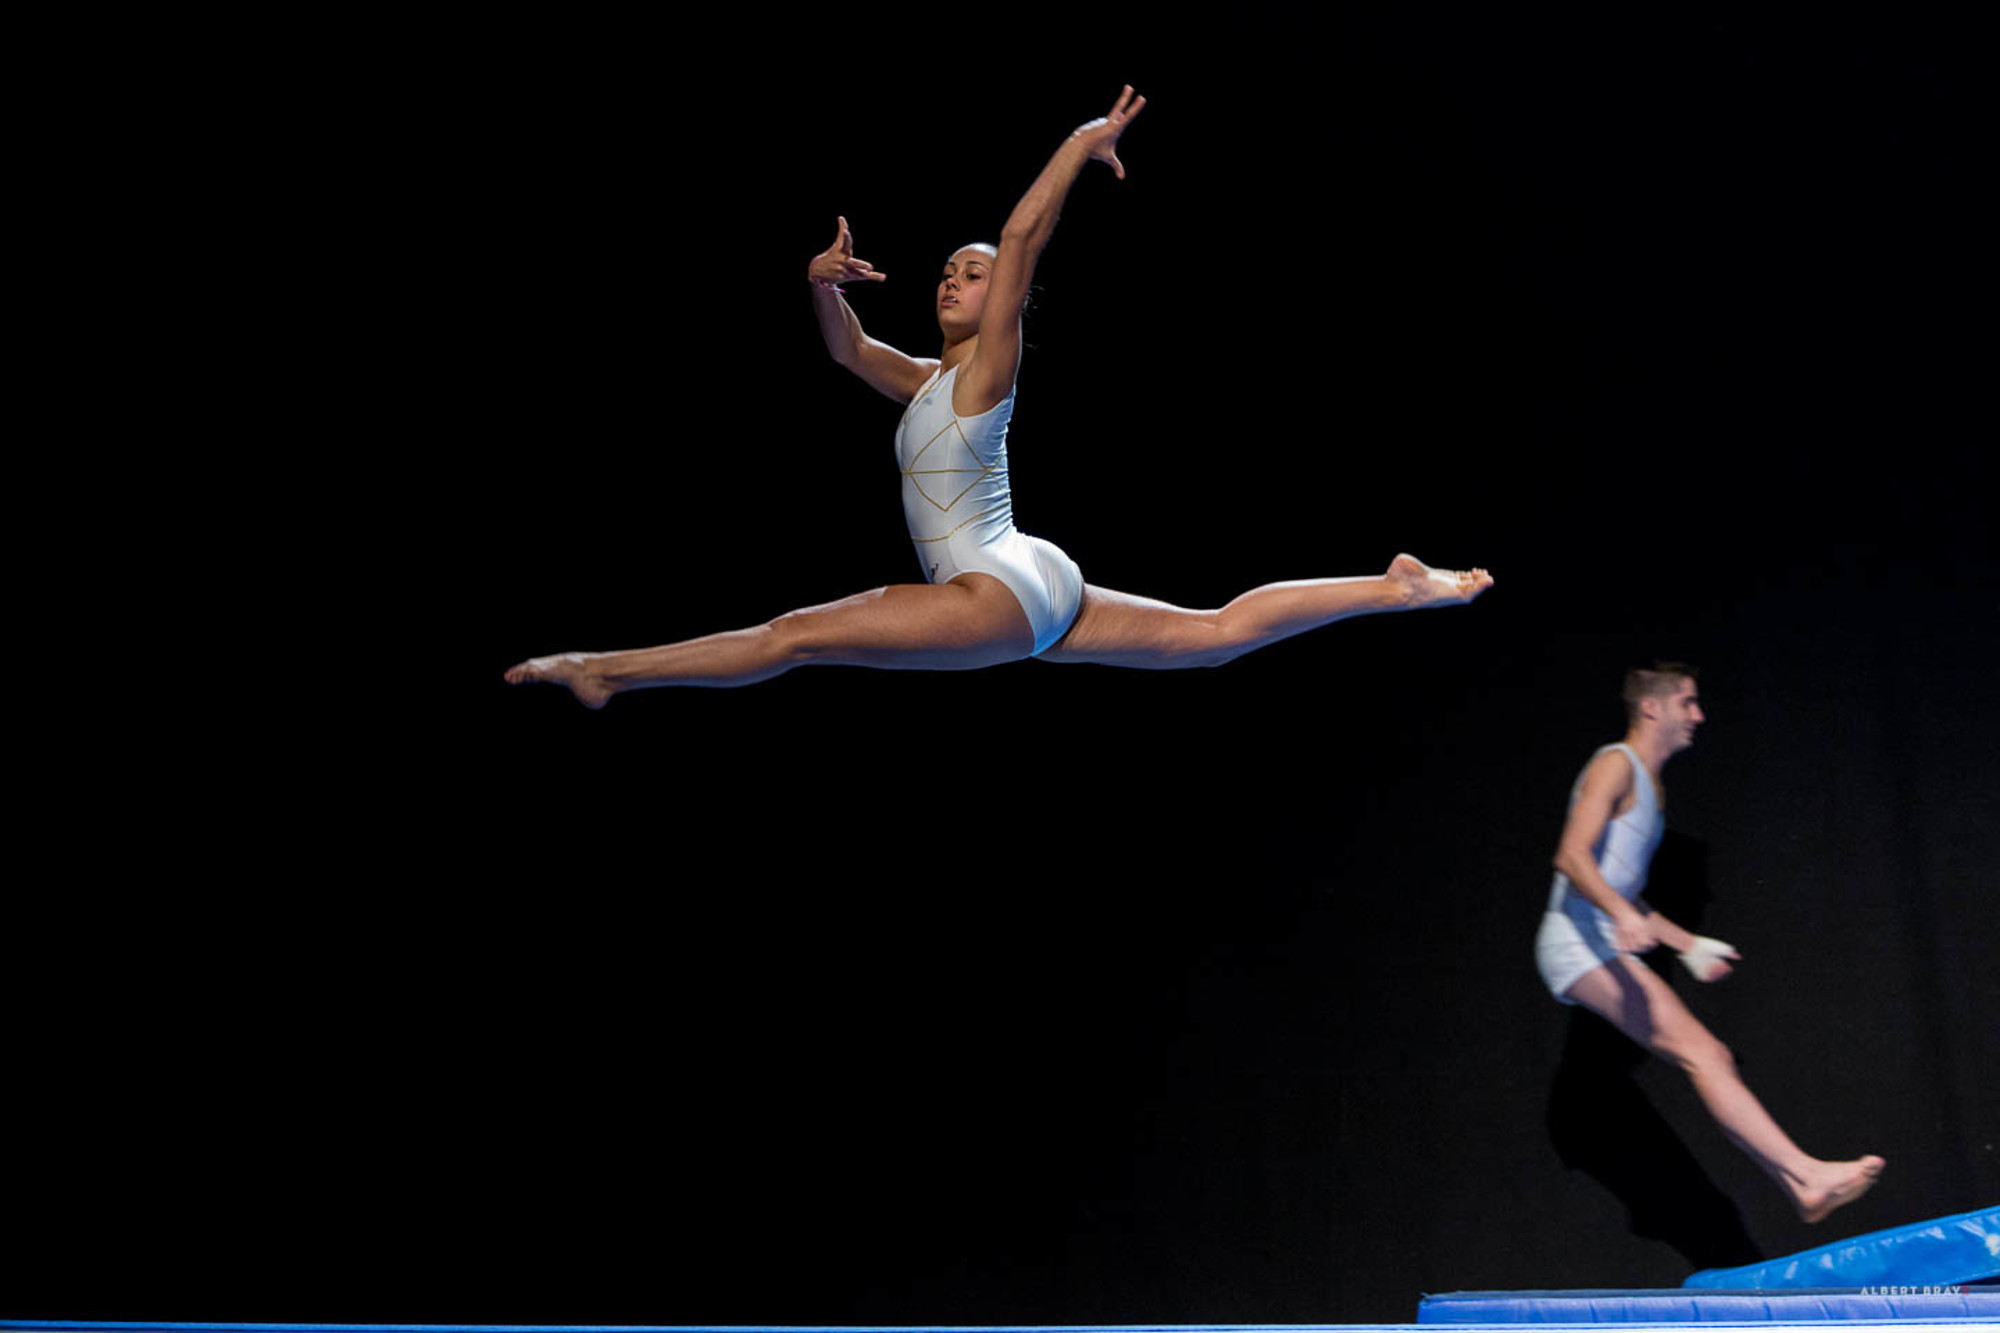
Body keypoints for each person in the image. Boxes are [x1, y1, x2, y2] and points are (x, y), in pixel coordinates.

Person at [505, 87, 1491, 709]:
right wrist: (816, 285)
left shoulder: (986, 369)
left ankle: (607, 668)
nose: (954, 279)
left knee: (791, 638)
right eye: (945, 269)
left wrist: (1075, 144)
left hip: (995, 591)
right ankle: (1394, 586)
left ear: (1002, 302)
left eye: (970, 274)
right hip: (1031, 578)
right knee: (1212, 634)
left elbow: (1022, 244)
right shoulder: (932, 381)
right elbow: (848, 353)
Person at [1536, 663, 1885, 1224]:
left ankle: (1802, 1188)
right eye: (1688, 703)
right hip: (1575, 941)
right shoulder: (1613, 765)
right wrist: (1621, 914)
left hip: (1597, 938)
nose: (1698, 716)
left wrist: (1688, 945)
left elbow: (1625, 889)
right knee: (1703, 1055)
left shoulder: (1652, 787)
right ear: (1652, 707)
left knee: (1710, 1056)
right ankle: (1807, 1175)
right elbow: (1570, 857)